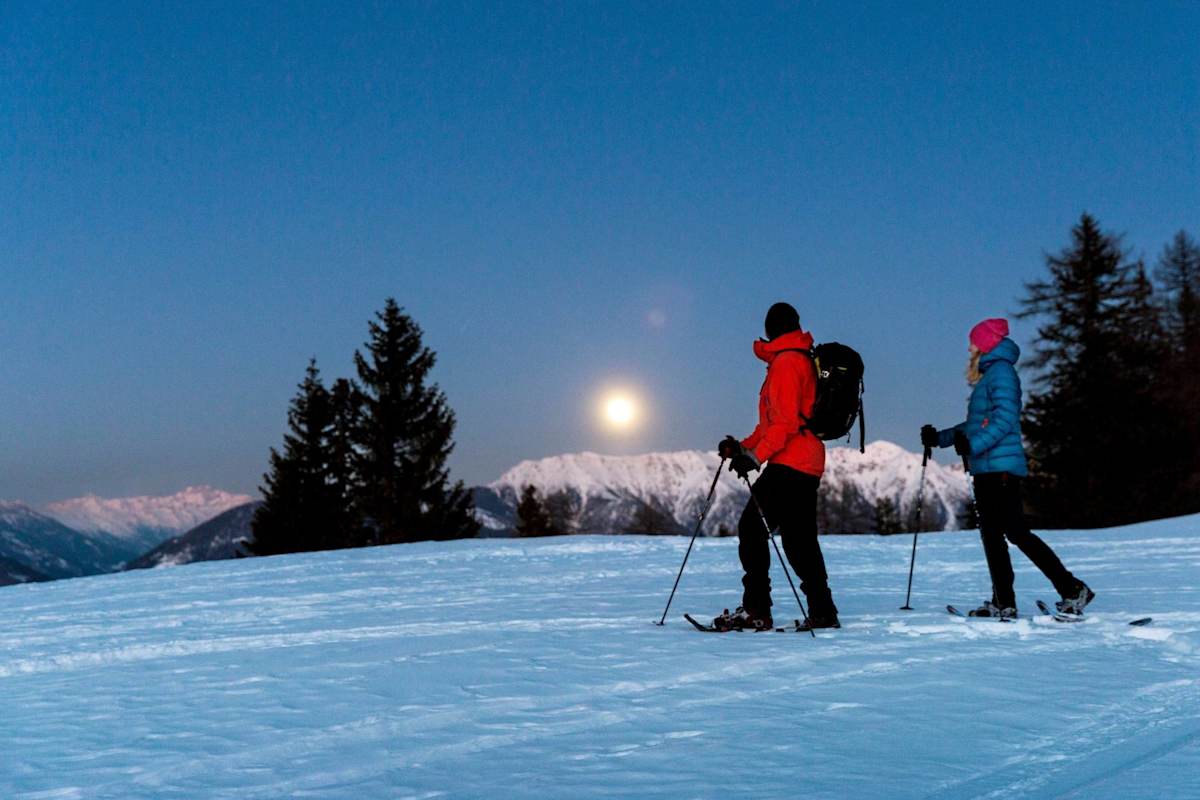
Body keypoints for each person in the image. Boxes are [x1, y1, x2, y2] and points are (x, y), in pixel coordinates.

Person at [922, 318, 1093, 619]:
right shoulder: (991, 375)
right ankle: (1005, 600)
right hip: (989, 467)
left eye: (973, 342)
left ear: (985, 343)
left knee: (1015, 533)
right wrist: (941, 438)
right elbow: (976, 425)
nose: (970, 348)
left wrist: (973, 446)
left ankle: (1071, 589)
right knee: (994, 535)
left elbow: (1005, 420)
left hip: (999, 470)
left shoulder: (1001, 373)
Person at [712, 302, 840, 632]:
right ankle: (823, 610)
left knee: (752, 528)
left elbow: (783, 425)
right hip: (806, 462)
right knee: (799, 541)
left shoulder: (785, 364)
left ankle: (756, 609)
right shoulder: (798, 359)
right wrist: (742, 447)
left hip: (790, 462)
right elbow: (771, 426)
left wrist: (753, 458)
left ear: (770, 331)